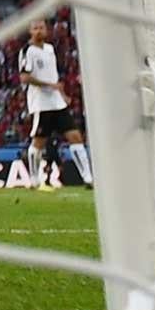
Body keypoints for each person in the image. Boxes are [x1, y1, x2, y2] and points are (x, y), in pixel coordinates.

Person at [20, 16, 93, 189]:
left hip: (57, 103)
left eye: (42, 27)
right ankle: (33, 178)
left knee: (75, 136)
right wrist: (49, 86)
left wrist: (62, 93)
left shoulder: (50, 49)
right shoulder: (27, 51)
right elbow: (24, 77)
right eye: (36, 28)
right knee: (38, 142)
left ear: (46, 30)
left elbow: (53, 76)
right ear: (30, 31)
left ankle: (88, 178)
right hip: (41, 104)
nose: (39, 31)